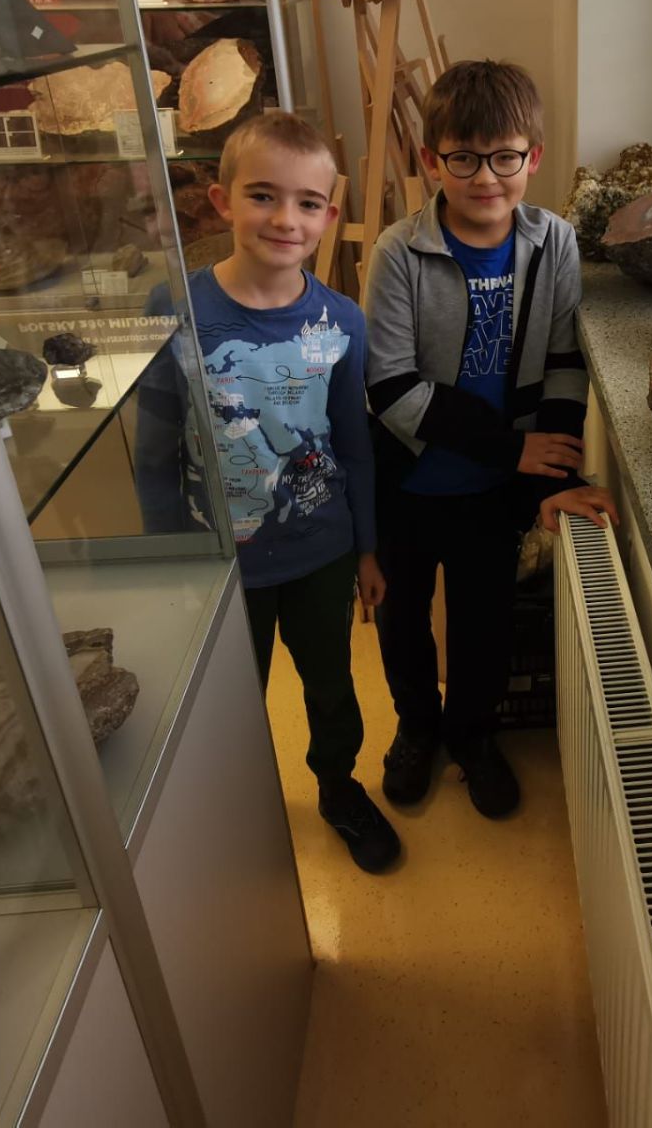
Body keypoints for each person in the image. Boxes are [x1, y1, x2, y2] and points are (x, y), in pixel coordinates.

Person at [134, 110, 399, 872]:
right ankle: (233, 808)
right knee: (226, 701)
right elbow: (153, 455)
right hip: (219, 564)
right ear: (222, 201)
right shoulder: (174, 310)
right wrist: (171, 564)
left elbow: (355, 445)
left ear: (328, 216)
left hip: (322, 552)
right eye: (263, 196)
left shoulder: (342, 321)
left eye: (307, 203)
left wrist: (368, 549)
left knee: (331, 686)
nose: (285, 219)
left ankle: (338, 788)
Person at [365, 60, 616, 819]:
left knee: (484, 624)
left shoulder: (554, 243)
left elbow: (565, 364)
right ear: (430, 160)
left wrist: (550, 481)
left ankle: (472, 735)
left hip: (490, 494)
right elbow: (391, 388)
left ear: (533, 158)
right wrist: (512, 450)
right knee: (402, 620)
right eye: (464, 159)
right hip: (408, 483)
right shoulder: (398, 252)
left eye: (505, 157)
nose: (485, 178)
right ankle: (417, 727)